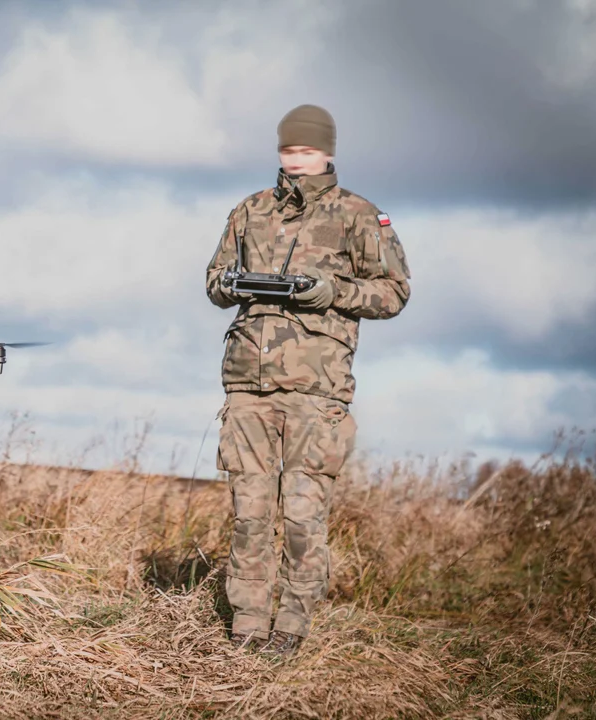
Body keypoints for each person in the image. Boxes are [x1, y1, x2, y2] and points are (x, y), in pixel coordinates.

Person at [204, 104, 411, 658]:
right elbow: (212, 281)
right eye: (287, 150)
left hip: (317, 391)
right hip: (247, 382)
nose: (294, 160)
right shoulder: (249, 211)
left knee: (301, 516)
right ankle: (247, 628)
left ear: (327, 152)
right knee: (249, 515)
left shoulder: (359, 215)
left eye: (304, 150)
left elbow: (394, 292)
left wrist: (332, 292)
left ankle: (291, 629)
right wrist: (231, 283)